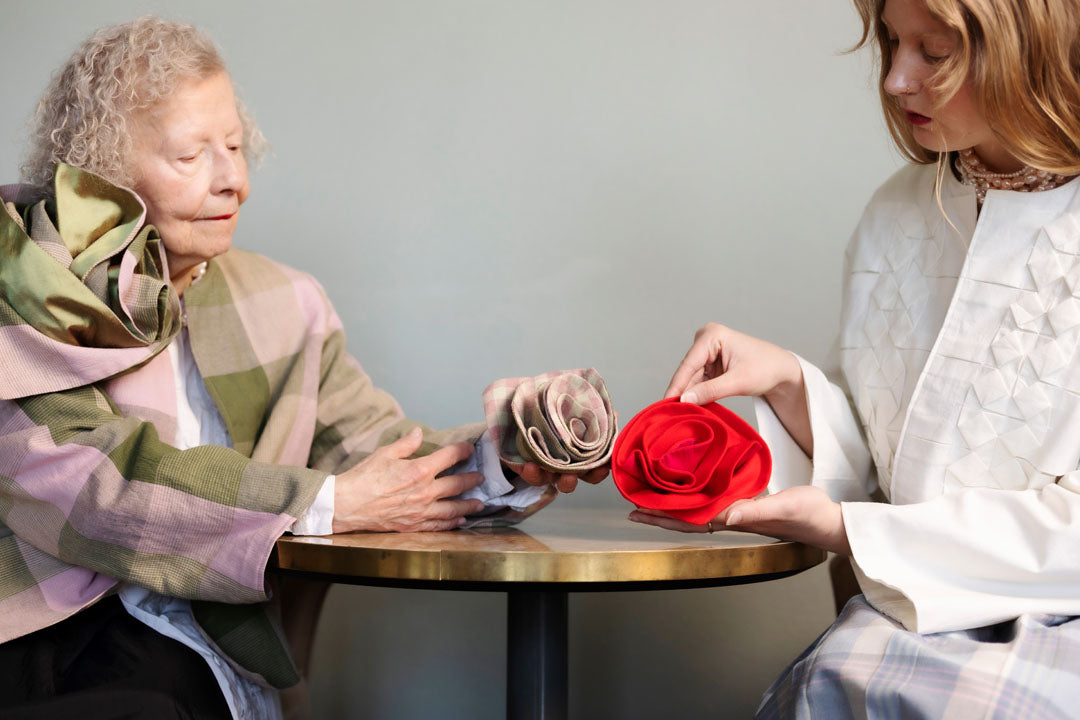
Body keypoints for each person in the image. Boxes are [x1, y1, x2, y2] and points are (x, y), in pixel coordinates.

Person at [0, 17, 607, 720]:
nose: (235, 181)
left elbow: (380, 455)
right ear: (99, 173)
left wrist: (509, 456)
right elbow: (85, 488)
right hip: (41, 641)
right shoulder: (26, 285)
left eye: (234, 146)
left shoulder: (287, 302)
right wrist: (323, 505)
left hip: (202, 650)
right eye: (192, 155)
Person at [631, 0, 1080, 716]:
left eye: (934, 52)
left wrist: (850, 530)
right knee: (831, 684)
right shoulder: (899, 212)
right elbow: (894, 457)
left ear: (1031, 46)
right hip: (903, 631)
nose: (899, 79)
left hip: (1056, 635)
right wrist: (788, 382)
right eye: (893, 44)